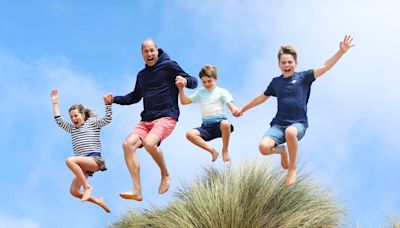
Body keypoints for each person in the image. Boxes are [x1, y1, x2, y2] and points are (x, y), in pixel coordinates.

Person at [234, 35, 355, 186]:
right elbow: (262, 97)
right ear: (279, 64)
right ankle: (282, 151)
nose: (287, 65)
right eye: (283, 62)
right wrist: (243, 109)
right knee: (263, 148)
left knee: (290, 132)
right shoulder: (276, 82)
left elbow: (325, 66)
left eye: (290, 62)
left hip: (298, 124)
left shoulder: (304, 77)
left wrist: (341, 52)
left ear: (296, 63)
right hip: (278, 126)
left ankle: (292, 168)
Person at [104, 39, 197, 201]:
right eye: (146, 51)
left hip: (167, 116)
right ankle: (137, 191)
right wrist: (114, 100)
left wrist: (184, 81)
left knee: (149, 143)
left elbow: (193, 81)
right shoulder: (142, 75)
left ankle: (165, 174)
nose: (149, 54)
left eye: (152, 50)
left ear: (157, 50)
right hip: (146, 120)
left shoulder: (169, 66)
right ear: (142, 54)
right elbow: (134, 97)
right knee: (127, 145)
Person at [50, 89, 112, 213]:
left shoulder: (92, 123)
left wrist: (108, 105)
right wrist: (55, 103)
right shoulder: (72, 129)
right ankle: (98, 201)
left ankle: (87, 187)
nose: (73, 118)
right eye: (71, 117)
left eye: (76, 115)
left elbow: (107, 120)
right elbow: (58, 120)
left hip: (95, 160)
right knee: (73, 191)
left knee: (70, 160)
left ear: (83, 115)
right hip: (84, 166)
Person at [177, 64, 238, 162]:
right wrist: (181, 89)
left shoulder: (221, 91)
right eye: (204, 82)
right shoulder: (201, 92)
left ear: (216, 79)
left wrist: (234, 110)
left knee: (226, 123)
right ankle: (212, 151)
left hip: (220, 126)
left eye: (209, 81)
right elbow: (184, 102)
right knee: (190, 134)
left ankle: (225, 150)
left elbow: (230, 104)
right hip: (207, 128)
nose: (206, 84)